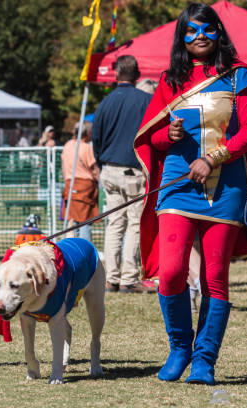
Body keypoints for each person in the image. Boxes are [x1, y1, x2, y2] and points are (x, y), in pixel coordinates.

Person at [134, 3, 247, 385]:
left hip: (226, 189)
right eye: (191, 30)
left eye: (207, 29)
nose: (199, 36)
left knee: (216, 277)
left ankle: (205, 359)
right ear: (181, 36)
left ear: (218, 32)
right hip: (177, 187)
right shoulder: (170, 80)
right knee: (172, 272)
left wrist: (213, 158)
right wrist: (171, 136)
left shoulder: (240, 76)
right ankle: (179, 348)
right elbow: (154, 137)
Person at [92, 55, 155, 294]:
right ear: (137, 74)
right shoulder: (145, 100)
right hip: (132, 169)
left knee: (114, 224)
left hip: (109, 168)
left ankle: (111, 279)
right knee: (134, 224)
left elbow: (96, 138)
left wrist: (101, 163)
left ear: (116, 74)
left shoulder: (105, 102)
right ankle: (129, 278)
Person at [61, 121, 100, 242]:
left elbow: (63, 167)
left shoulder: (67, 145)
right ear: (87, 133)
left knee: (72, 222)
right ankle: (85, 250)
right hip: (85, 186)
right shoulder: (87, 148)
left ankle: (72, 249)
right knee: (85, 222)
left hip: (69, 184)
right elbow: (94, 169)